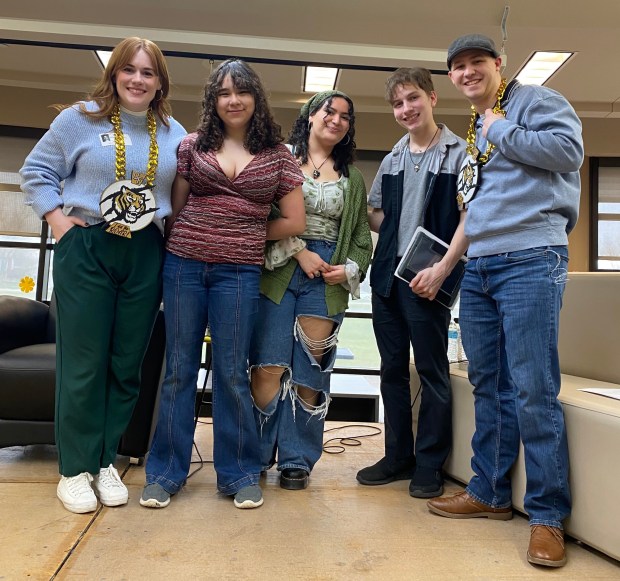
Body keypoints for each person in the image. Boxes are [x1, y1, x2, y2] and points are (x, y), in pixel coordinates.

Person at [426, 34, 584, 568]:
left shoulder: (534, 102)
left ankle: (546, 517)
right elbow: (476, 209)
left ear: (499, 65)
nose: (468, 73)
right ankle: (490, 492)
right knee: (487, 384)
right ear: (451, 77)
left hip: (532, 257)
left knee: (533, 388)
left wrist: (503, 129)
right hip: (481, 268)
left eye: (477, 63)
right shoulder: (476, 128)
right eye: (458, 67)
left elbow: (569, 152)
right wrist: (448, 265)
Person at [19, 37, 187, 513]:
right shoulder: (80, 118)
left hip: (145, 249)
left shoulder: (174, 132)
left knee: (125, 362)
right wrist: (58, 223)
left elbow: (179, 194)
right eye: (129, 70)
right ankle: (73, 469)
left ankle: (104, 460)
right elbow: (36, 172)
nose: (138, 79)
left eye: (148, 72)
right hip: (88, 242)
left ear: (160, 82)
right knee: (84, 361)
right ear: (114, 74)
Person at [140, 59, 306, 510]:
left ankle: (238, 473)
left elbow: (295, 220)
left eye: (242, 91)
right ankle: (164, 472)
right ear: (213, 100)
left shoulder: (278, 154)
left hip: (238, 272)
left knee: (233, 372)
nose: (233, 100)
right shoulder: (192, 146)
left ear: (256, 98)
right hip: (185, 267)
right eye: (224, 93)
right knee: (178, 369)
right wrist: (205, 233)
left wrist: (245, 231)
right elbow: (176, 211)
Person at [249, 91, 373, 490]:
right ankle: (255, 453)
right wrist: (298, 251)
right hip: (280, 268)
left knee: (310, 372)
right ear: (310, 116)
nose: (337, 120)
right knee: (268, 366)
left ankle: (297, 459)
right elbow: (261, 214)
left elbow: (359, 237)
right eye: (329, 112)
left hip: (327, 276)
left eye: (345, 116)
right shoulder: (279, 159)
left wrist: (348, 268)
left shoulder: (353, 179)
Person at [356, 68, 468, 499]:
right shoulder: (392, 158)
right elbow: (376, 213)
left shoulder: (459, 154)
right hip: (388, 280)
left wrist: (437, 267)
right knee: (391, 372)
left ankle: (429, 463)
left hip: (429, 281)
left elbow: (468, 220)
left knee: (431, 371)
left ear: (433, 98)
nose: (406, 109)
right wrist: (399, 235)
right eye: (398, 104)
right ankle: (397, 456)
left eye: (412, 98)